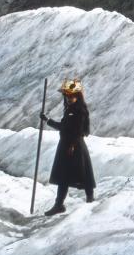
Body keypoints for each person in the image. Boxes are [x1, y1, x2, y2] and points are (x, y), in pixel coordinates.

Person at [41, 79, 95, 216]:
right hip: (68, 145)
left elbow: (79, 130)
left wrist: (72, 145)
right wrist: (48, 121)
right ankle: (59, 204)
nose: (69, 98)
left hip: (74, 146)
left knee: (81, 174)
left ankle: (89, 200)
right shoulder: (71, 109)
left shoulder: (80, 111)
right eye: (67, 96)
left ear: (77, 96)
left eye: (72, 95)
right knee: (66, 176)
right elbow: (65, 127)